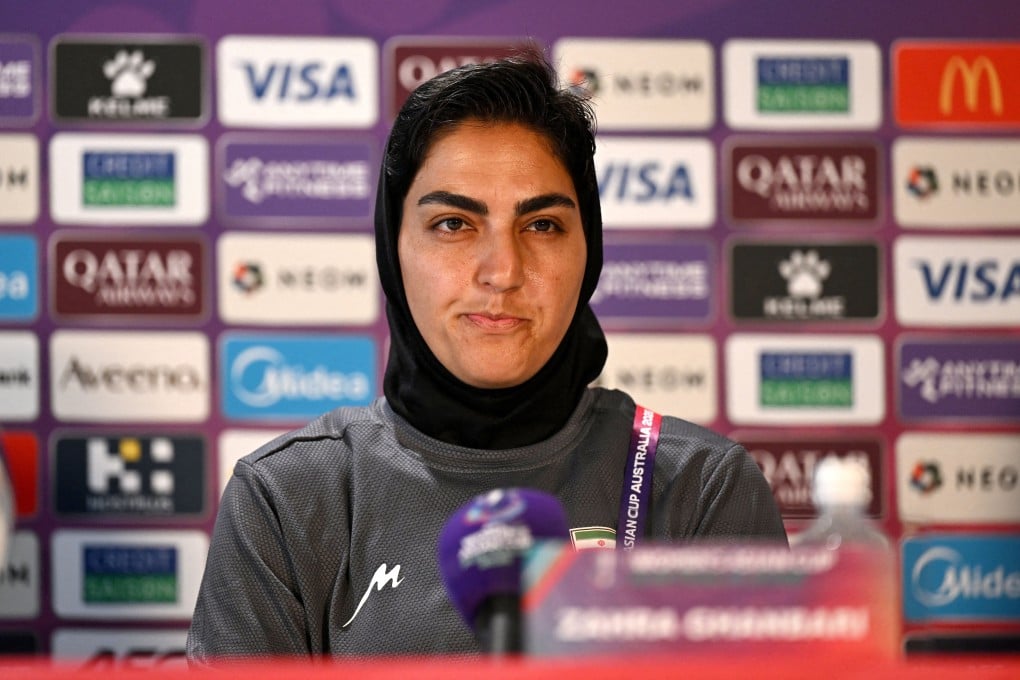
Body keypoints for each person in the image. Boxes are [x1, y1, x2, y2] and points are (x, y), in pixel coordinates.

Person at [186, 49, 786, 661]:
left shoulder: (699, 488)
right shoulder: (288, 498)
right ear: (394, 249)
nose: (502, 271)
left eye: (542, 225)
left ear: (590, 249)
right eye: (453, 224)